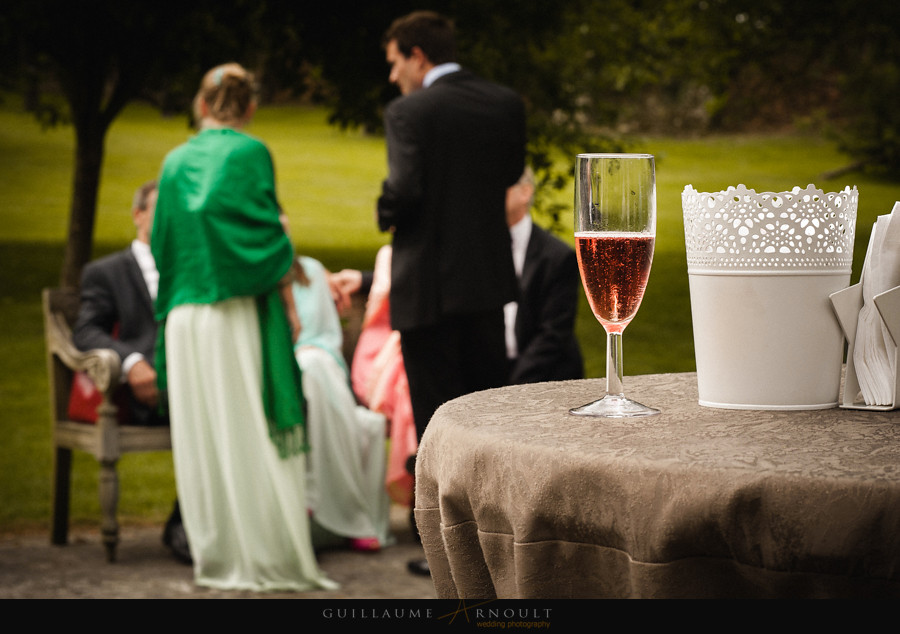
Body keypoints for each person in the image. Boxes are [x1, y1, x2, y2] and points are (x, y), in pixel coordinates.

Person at [150, 62, 335, 592]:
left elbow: (164, 243)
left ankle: (216, 554)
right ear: (250, 107)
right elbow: (266, 236)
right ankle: (264, 550)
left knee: (205, 433)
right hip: (237, 313)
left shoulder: (174, 160)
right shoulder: (252, 153)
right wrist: (287, 292)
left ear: (202, 105)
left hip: (187, 318)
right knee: (248, 430)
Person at [378, 10, 526, 577]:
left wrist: (383, 209)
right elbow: (510, 171)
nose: (394, 77)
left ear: (417, 55)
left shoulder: (409, 112)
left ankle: (447, 552)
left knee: (437, 423)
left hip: (428, 290)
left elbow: (405, 192)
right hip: (486, 282)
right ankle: (498, 542)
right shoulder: (504, 103)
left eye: (395, 63)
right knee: (485, 415)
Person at [72, 180, 191, 565]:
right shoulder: (105, 272)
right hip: (142, 393)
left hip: (191, 381)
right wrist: (130, 363)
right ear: (138, 214)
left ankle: (188, 520)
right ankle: (188, 527)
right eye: (161, 209)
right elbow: (86, 330)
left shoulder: (191, 267)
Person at [290, 255, 393, 552]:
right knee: (309, 369)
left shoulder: (307, 269)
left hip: (318, 361)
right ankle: (352, 517)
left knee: (312, 365)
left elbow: (320, 336)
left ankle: (312, 495)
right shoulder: (250, 269)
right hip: (281, 367)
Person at [504, 168, 584, 384]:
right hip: (490, 374)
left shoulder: (558, 257)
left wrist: (510, 385)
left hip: (545, 377)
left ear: (525, 192)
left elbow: (554, 333)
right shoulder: (474, 250)